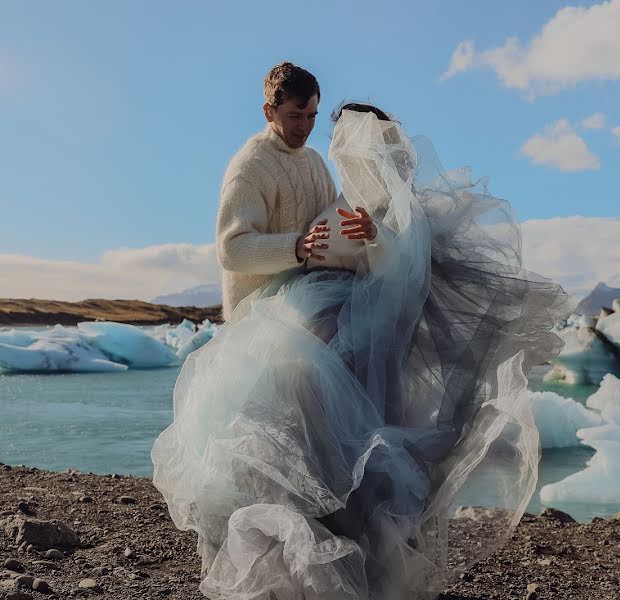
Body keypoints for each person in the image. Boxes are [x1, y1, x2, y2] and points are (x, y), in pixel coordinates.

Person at [152, 91, 566, 598]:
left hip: (347, 346)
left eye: (339, 133)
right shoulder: (285, 174)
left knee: (344, 457)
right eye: (305, 120)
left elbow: (405, 272)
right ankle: (300, 561)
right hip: (308, 331)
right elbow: (242, 248)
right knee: (296, 445)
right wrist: (307, 256)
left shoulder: (389, 206)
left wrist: (372, 238)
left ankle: (347, 567)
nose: (333, 142)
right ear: (272, 113)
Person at [215, 62, 380, 320]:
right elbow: (231, 250)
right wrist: (296, 248)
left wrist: (366, 234)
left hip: (311, 317)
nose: (304, 126)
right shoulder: (249, 166)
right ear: (269, 112)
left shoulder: (316, 163)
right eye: (295, 116)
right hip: (257, 328)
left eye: (311, 116)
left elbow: (329, 236)